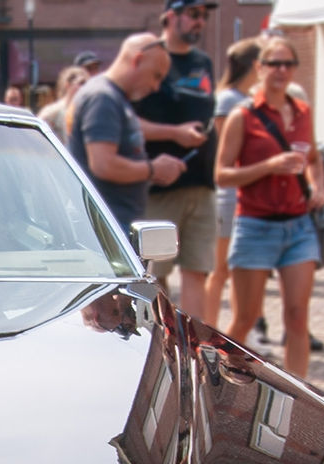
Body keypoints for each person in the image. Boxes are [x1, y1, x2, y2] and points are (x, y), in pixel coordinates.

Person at [215, 36, 324, 378]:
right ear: (259, 69)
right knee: (245, 317)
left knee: (297, 315)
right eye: (274, 64)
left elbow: (315, 159)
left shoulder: (303, 112)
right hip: (255, 225)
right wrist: (269, 165)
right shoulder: (243, 116)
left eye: (288, 64)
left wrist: (318, 185)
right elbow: (222, 174)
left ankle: (301, 396)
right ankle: (220, 381)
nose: (281, 70)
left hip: (297, 225)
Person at [134, 0, 217, 317]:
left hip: (202, 183)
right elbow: (130, 124)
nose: (200, 22)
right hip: (160, 187)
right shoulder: (152, 58)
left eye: (204, 16)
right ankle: (165, 353)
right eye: (194, 14)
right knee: (157, 276)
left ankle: (195, 351)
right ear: (170, 17)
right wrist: (174, 133)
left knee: (198, 270)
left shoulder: (203, 62)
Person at [69, 34, 186, 234]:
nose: (156, 87)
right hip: (107, 227)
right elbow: (103, 165)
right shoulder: (102, 97)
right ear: (137, 60)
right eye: (156, 76)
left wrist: (174, 135)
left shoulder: (112, 97)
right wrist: (153, 169)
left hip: (112, 224)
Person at [203, 37, 261, 330]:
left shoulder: (246, 98)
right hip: (228, 195)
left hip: (246, 195)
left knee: (236, 270)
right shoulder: (228, 100)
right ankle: (210, 329)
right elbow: (228, 149)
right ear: (255, 64)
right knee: (220, 269)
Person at [40, 66, 86, 143]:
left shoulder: (82, 111)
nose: (84, 87)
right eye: (81, 83)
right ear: (68, 84)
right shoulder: (53, 111)